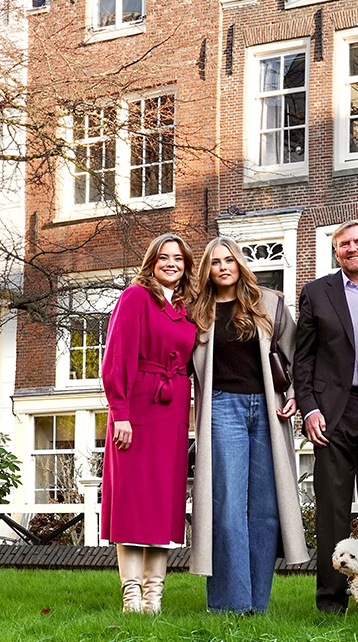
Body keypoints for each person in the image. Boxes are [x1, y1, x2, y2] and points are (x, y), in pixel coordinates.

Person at [189, 237, 310, 613]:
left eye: (229, 260)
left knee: (265, 508)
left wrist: (294, 395)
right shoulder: (196, 312)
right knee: (227, 507)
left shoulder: (269, 303)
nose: (223, 267)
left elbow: (296, 356)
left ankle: (257, 604)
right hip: (223, 407)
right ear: (207, 270)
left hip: (268, 411)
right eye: (214, 262)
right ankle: (229, 603)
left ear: (240, 263)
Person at [294, 220, 358, 614]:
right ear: (336, 252)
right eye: (343, 245)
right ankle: (330, 602)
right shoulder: (316, 293)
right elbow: (301, 359)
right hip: (332, 415)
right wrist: (310, 408)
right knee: (333, 510)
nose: (351, 248)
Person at [100, 233, 198, 613]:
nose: (171, 263)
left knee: (161, 505)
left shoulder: (188, 309)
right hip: (137, 406)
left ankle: (154, 596)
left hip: (172, 411)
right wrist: (120, 413)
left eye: (178, 258)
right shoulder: (136, 297)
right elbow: (116, 357)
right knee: (132, 502)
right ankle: (131, 595)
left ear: (187, 264)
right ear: (152, 263)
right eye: (163, 257)